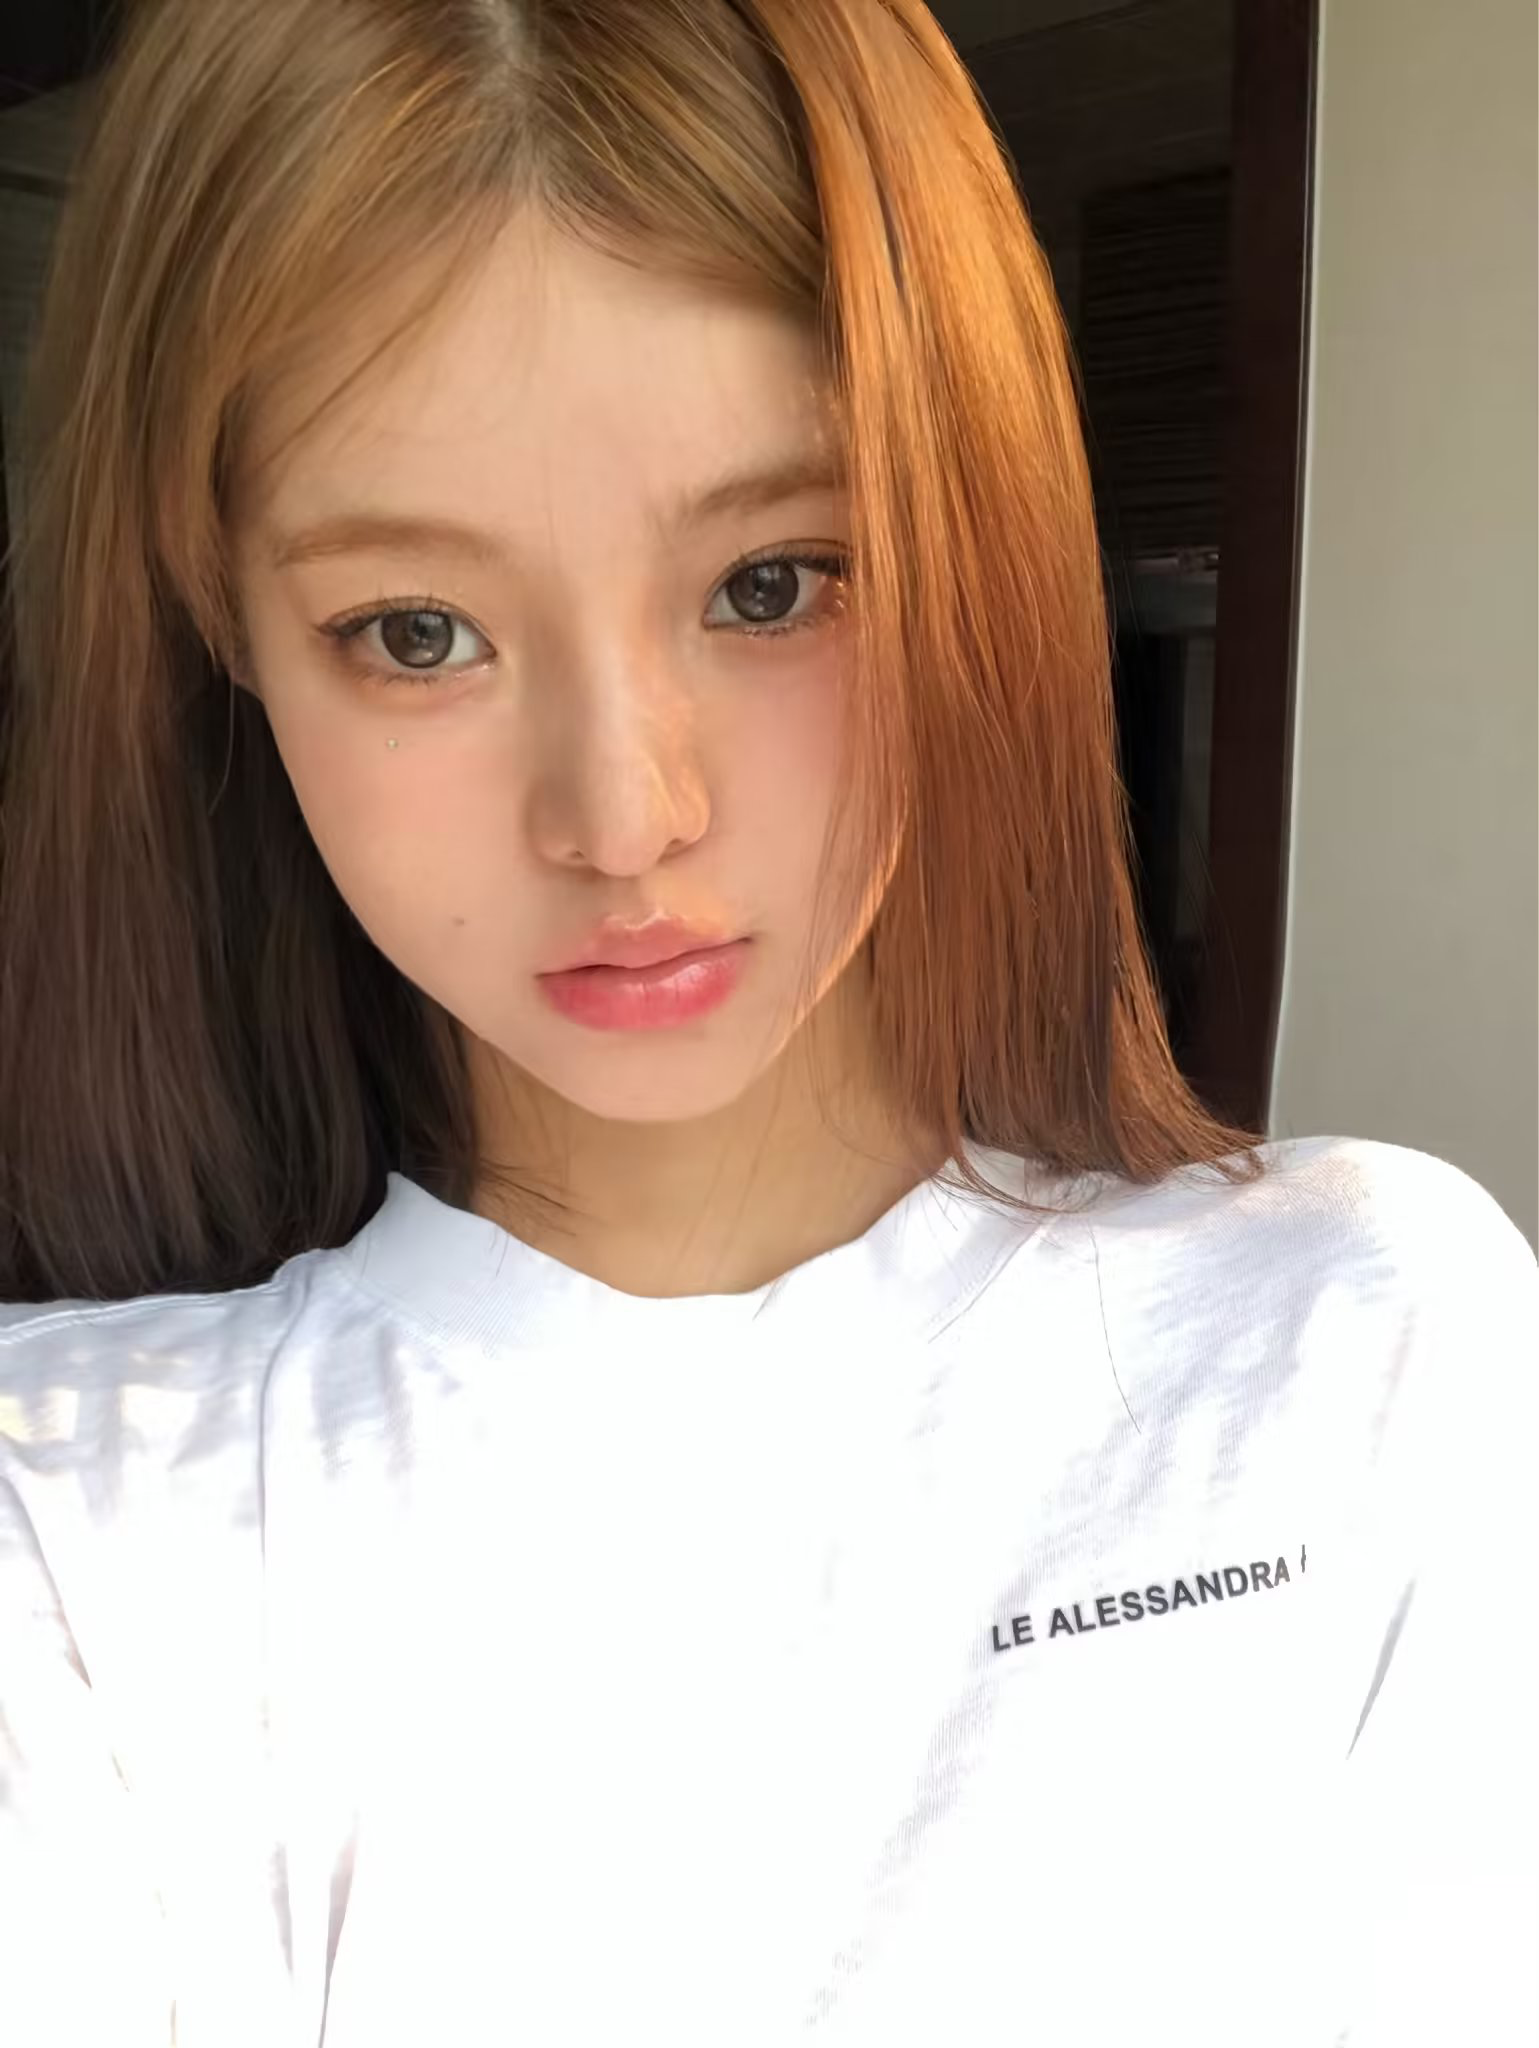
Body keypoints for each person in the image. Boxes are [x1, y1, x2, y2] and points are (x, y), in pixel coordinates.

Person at [0, 0, 1533, 2041]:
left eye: (773, 582)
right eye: (417, 632)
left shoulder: (1358, 1343)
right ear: (228, 629)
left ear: (974, 548)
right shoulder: (74, 1516)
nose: (625, 814)